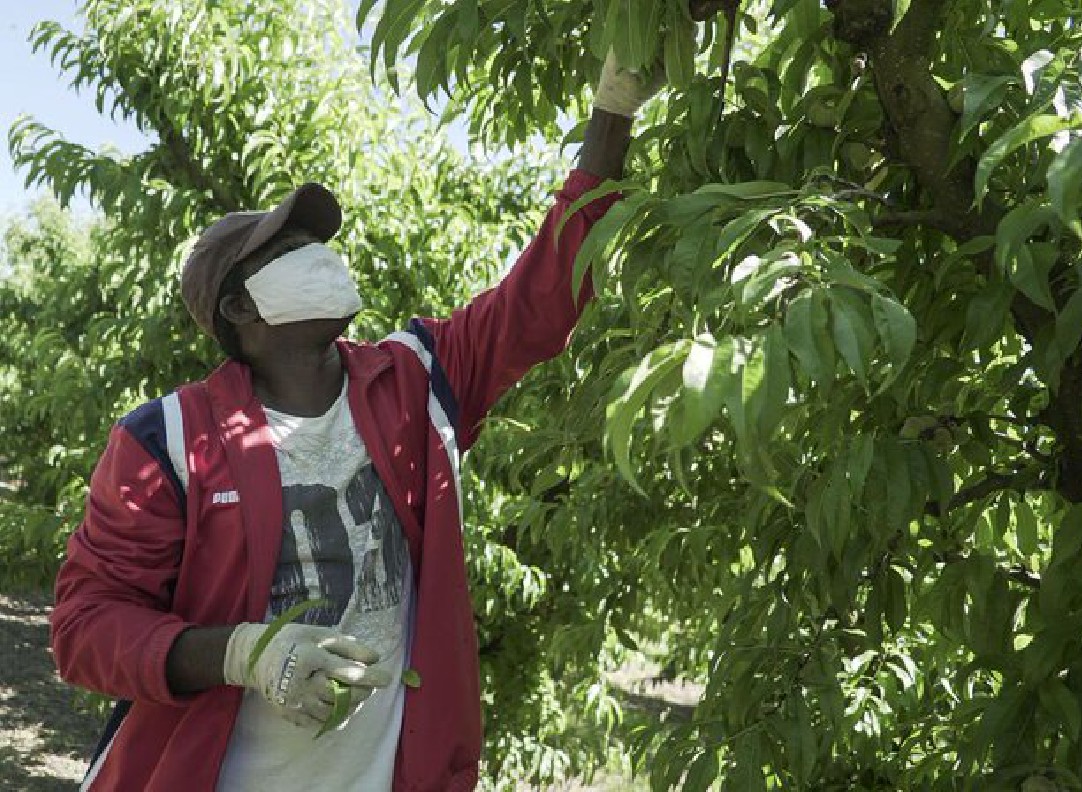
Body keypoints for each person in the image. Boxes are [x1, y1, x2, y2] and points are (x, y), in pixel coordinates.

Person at [50, 51, 661, 792]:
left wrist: (613, 110)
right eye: (290, 252)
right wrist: (245, 653)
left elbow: (542, 296)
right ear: (239, 308)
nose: (320, 258)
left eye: (316, 245)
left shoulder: (414, 381)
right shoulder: (168, 442)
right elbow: (85, 628)